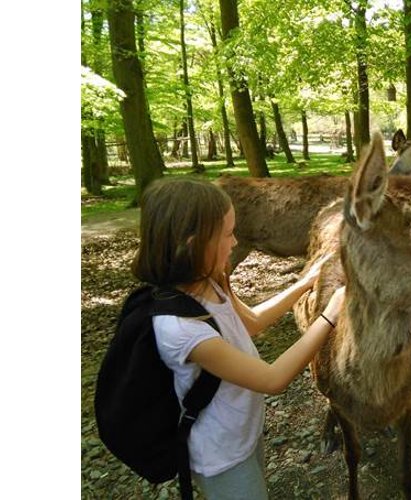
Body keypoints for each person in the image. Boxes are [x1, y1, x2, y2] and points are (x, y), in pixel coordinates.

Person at [132, 176, 345, 500]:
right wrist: (330, 314)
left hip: (243, 432)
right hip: (221, 457)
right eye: (229, 234)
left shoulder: (212, 280)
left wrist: (304, 284)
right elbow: (273, 379)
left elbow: (253, 322)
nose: (235, 243)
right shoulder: (181, 329)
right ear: (193, 244)